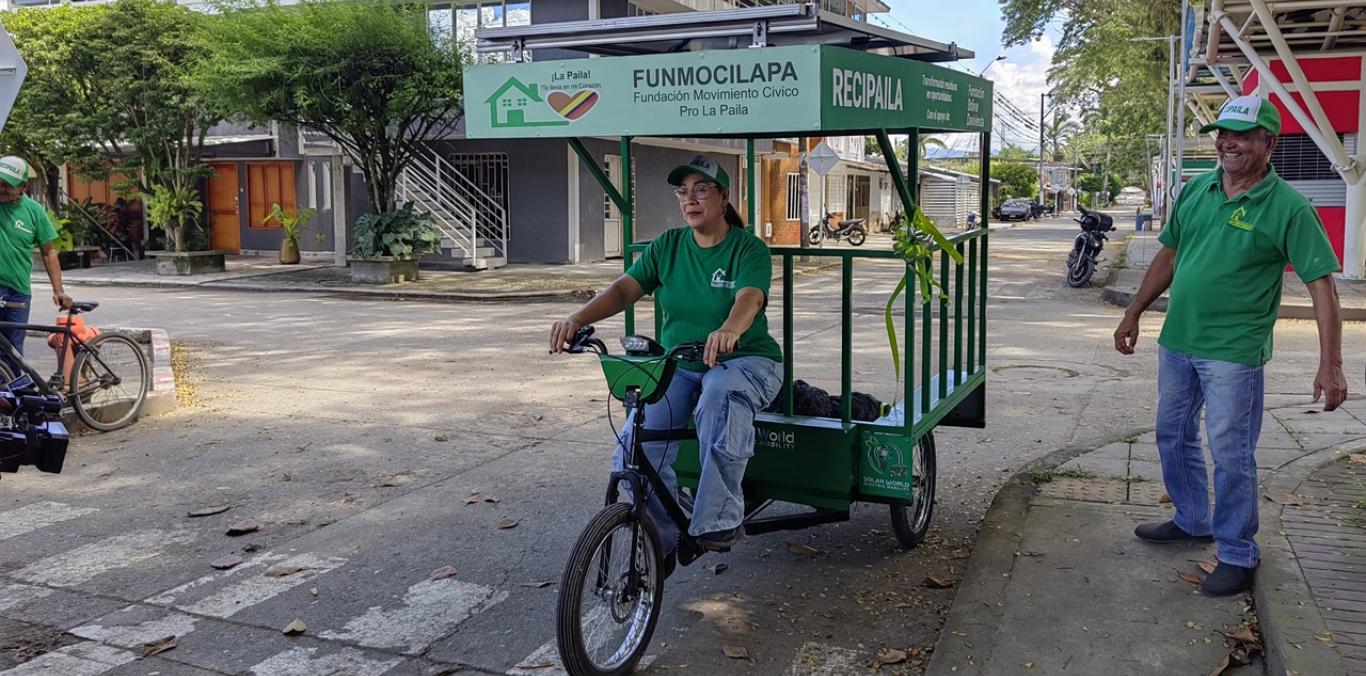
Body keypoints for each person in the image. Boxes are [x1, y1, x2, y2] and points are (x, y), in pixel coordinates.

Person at [1114, 96, 1347, 597]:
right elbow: (1169, 255)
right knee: (1172, 434)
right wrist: (1134, 312)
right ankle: (1192, 518)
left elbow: (1322, 287)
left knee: (1231, 452)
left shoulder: (1289, 207)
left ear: (1269, 143)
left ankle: (1238, 552)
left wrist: (1330, 364)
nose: (1228, 143)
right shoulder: (1198, 189)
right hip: (1179, 340)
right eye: (1223, 133)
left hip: (1234, 352)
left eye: (1241, 135)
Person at [549, 154, 783, 556]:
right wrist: (577, 319)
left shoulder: (748, 249)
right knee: (632, 449)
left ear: (723, 198)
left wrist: (730, 328)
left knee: (720, 395)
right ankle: (665, 538)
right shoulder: (668, 245)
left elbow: (750, 297)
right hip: (681, 364)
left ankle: (719, 521)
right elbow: (625, 289)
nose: (690, 199)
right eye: (683, 192)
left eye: (701, 190)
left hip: (745, 362)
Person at [0, 156, 73, 377]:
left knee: (13, 351)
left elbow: (49, 252)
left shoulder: (34, 211)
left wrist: (58, 291)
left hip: (19, 291)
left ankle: (12, 394)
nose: (1, 188)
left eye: (7, 185)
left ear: (23, 186)